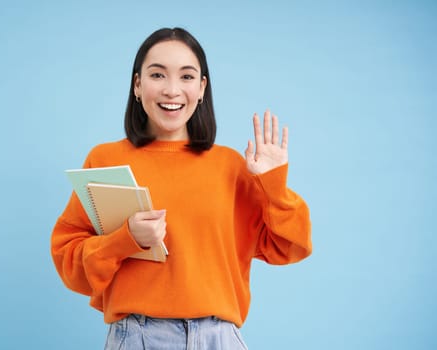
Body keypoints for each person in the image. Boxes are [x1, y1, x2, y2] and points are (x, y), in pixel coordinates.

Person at [51, 27, 312, 349]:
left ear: (202, 88)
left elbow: (291, 248)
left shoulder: (231, 167)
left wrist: (273, 186)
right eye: (157, 75)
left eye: (187, 77)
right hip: (137, 336)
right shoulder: (105, 160)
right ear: (137, 84)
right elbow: (70, 265)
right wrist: (125, 240)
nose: (172, 90)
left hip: (218, 338)